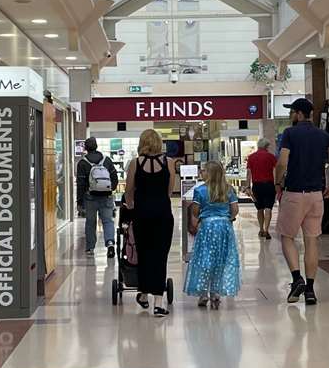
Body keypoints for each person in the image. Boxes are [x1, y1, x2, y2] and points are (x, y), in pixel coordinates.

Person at [274, 97, 329, 305]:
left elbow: (282, 161)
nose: (290, 116)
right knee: (311, 240)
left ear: (298, 114)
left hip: (294, 193)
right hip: (316, 196)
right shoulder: (323, 135)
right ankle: (311, 291)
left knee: (287, 236)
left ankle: (297, 279)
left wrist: (277, 181)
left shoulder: (289, 134)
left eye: (291, 112)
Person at [124, 128, 176, 317]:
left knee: (144, 255)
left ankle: (144, 294)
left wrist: (130, 206)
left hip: (142, 215)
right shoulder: (169, 163)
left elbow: (129, 190)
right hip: (163, 214)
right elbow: (170, 191)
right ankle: (159, 303)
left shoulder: (135, 164)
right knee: (160, 256)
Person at [184, 160, 241, 309]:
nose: (201, 173)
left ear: (210, 174)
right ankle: (216, 292)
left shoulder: (200, 190)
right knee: (221, 259)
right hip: (224, 228)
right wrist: (227, 218)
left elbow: (195, 211)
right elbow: (235, 209)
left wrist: (199, 218)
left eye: (204, 171)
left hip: (207, 227)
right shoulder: (228, 190)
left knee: (204, 259)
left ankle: (203, 293)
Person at [75, 136, 118, 259]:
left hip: (90, 198)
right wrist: (110, 189)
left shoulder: (83, 163)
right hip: (106, 196)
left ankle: (90, 248)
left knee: (90, 222)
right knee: (108, 221)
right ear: (97, 146)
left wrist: (79, 201)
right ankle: (110, 243)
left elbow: (81, 184)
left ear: (85, 148)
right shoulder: (107, 160)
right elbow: (114, 178)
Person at [245, 137, 279, 240]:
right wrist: (277, 184)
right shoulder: (271, 157)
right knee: (268, 208)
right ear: (266, 146)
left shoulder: (251, 157)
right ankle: (266, 230)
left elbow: (248, 174)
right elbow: (275, 171)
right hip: (269, 185)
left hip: (256, 186)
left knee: (260, 209)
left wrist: (247, 186)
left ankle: (260, 229)